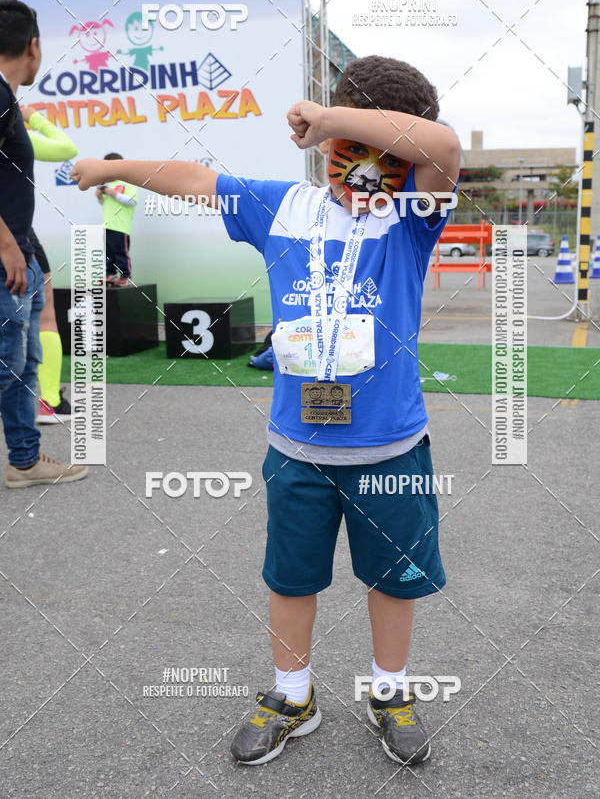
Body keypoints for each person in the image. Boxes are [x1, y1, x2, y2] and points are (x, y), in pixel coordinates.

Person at [71, 55, 460, 766]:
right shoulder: (285, 205)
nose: (370, 174)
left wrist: (332, 119)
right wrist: (112, 169)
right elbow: (195, 181)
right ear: (329, 152)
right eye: (352, 153)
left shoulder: (410, 218)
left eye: (388, 154)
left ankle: (391, 690)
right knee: (291, 575)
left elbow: (444, 150)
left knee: (392, 578)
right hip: (299, 448)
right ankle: (292, 693)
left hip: (391, 447)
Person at [0, 0, 87, 487]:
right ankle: (25, 461)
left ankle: (26, 459)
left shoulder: (8, 102)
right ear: (32, 47)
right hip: (8, 257)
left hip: (21, 256)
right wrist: (9, 246)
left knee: (23, 361)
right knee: (11, 364)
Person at [19, 104, 77, 424]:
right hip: (17, 232)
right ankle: (50, 401)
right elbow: (66, 148)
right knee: (45, 319)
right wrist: (33, 118)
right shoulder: (14, 133)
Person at [95, 152, 138, 286]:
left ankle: (126, 276)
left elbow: (132, 201)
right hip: (107, 225)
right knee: (108, 253)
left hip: (120, 226)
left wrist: (112, 193)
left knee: (121, 252)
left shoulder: (128, 183)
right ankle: (110, 273)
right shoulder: (107, 184)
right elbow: (104, 204)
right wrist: (99, 197)